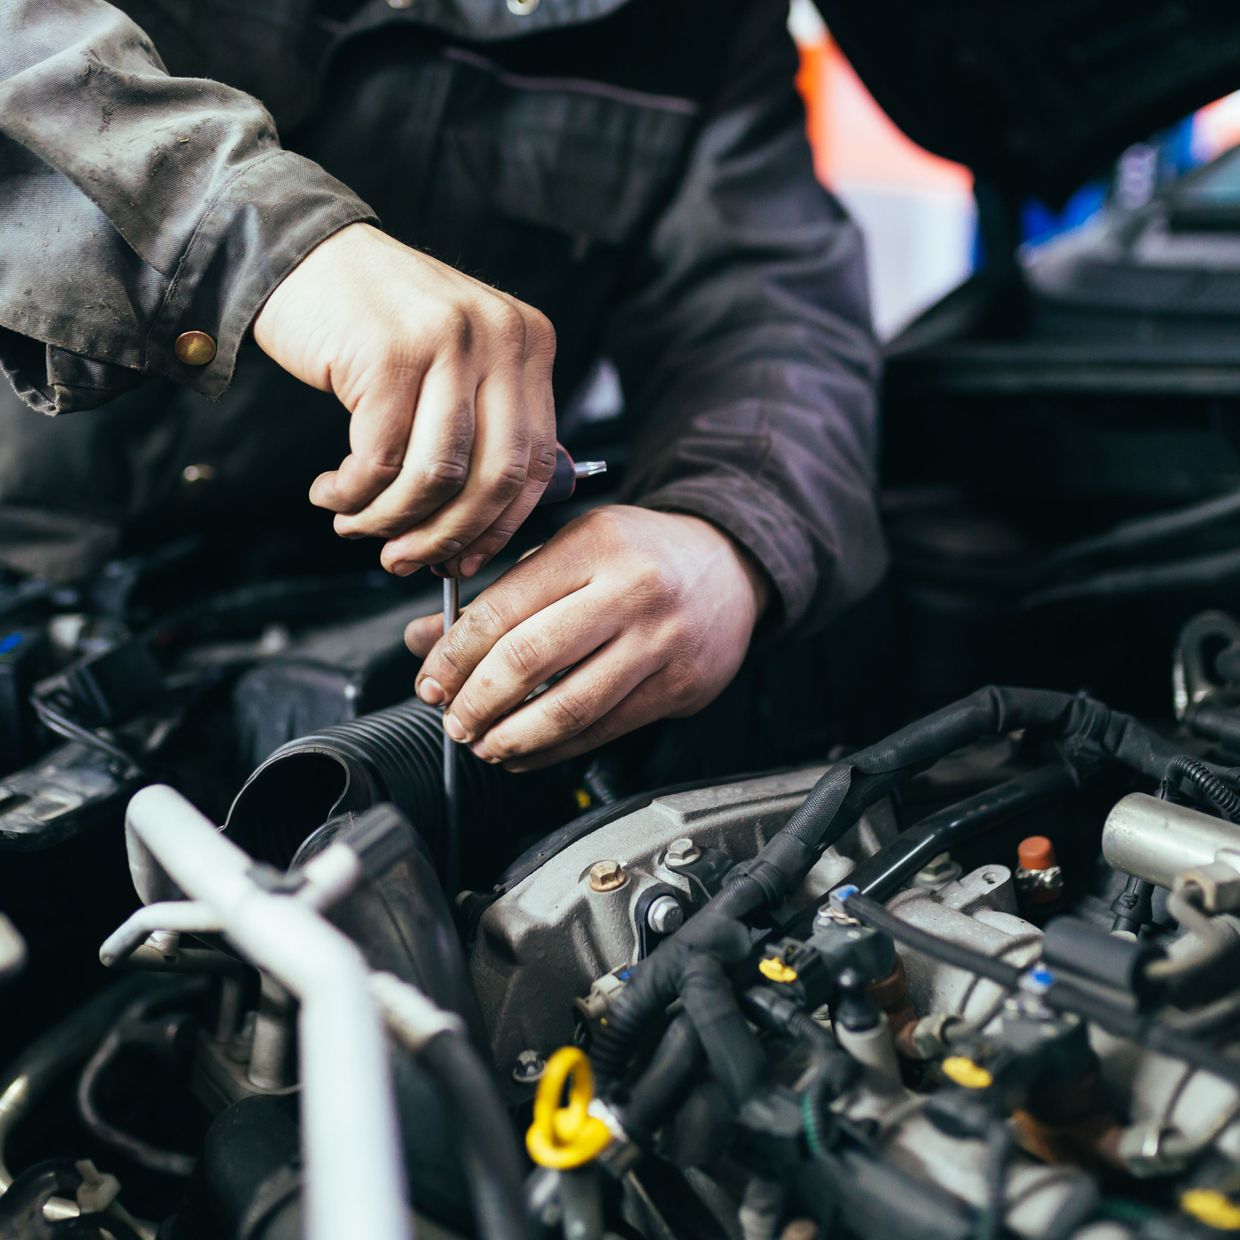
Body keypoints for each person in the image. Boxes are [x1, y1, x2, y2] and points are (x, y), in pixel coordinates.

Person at [0, 0, 885, 775]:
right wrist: (257, 236)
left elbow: (765, 305)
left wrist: (727, 532)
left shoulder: (695, 21)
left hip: (348, 600)